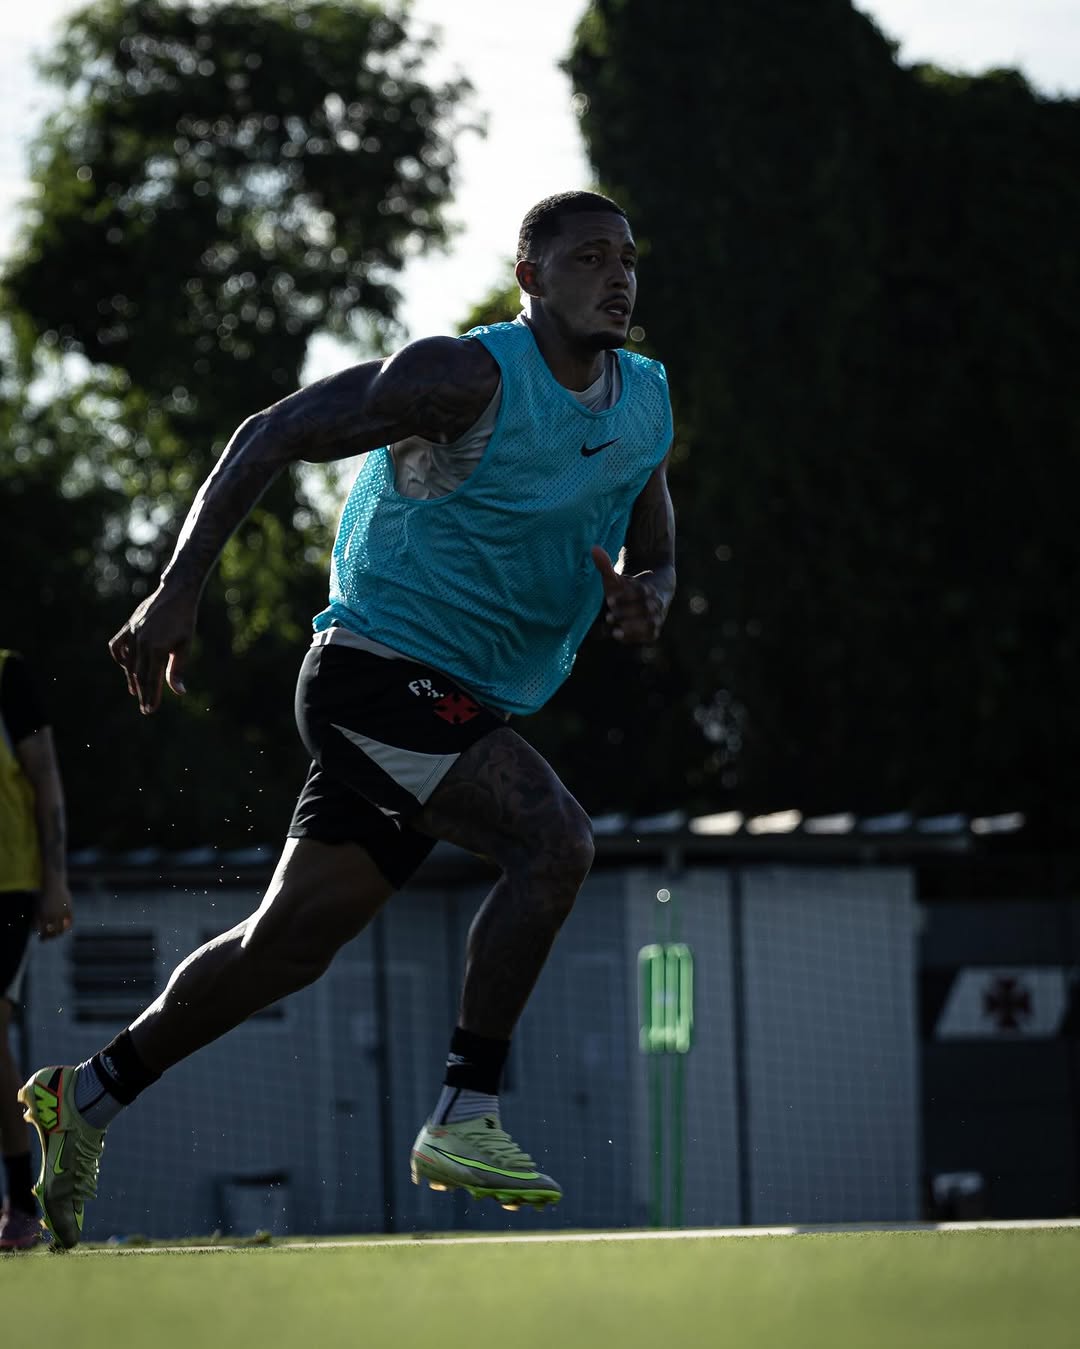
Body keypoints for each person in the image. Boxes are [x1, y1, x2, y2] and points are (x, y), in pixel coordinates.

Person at [20, 190, 676, 1249]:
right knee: (554, 840)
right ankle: (466, 1109)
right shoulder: (462, 377)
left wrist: (650, 594)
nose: (619, 277)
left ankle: (85, 1094)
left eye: (629, 258)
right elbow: (270, 431)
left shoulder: (643, 400)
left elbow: (655, 540)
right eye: (590, 257)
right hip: (374, 673)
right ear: (529, 278)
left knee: (284, 947)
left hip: (457, 703)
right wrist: (178, 586)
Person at [0, 648, 73, 1250]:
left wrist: (56, 879)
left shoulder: (8, 676)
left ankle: (22, 1206)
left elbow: (44, 775)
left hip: (9, 885)